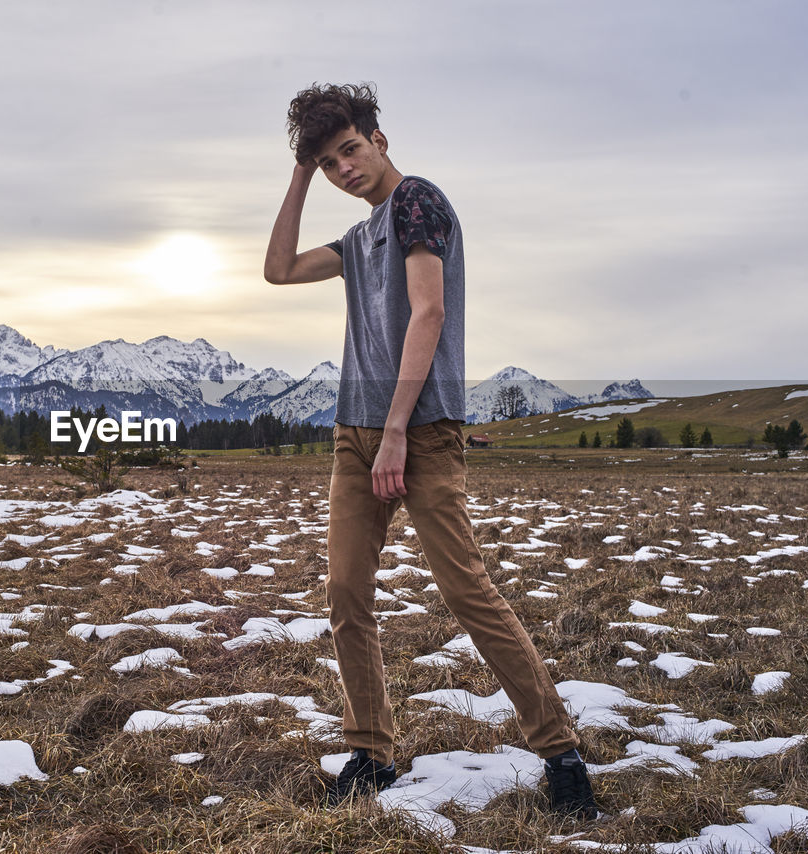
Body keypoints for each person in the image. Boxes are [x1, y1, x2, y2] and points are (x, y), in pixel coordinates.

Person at [263, 83, 599, 818]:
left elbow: (430, 311)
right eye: (327, 163)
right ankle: (372, 751)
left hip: (418, 430)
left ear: (378, 139)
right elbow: (278, 269)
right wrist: (296, 171)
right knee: (347, 594)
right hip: (355, 435)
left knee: (468, 592)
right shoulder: (357, 240)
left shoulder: (418, 201)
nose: (342, 168)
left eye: (348, 149)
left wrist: (395, 434)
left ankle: (561, 752)